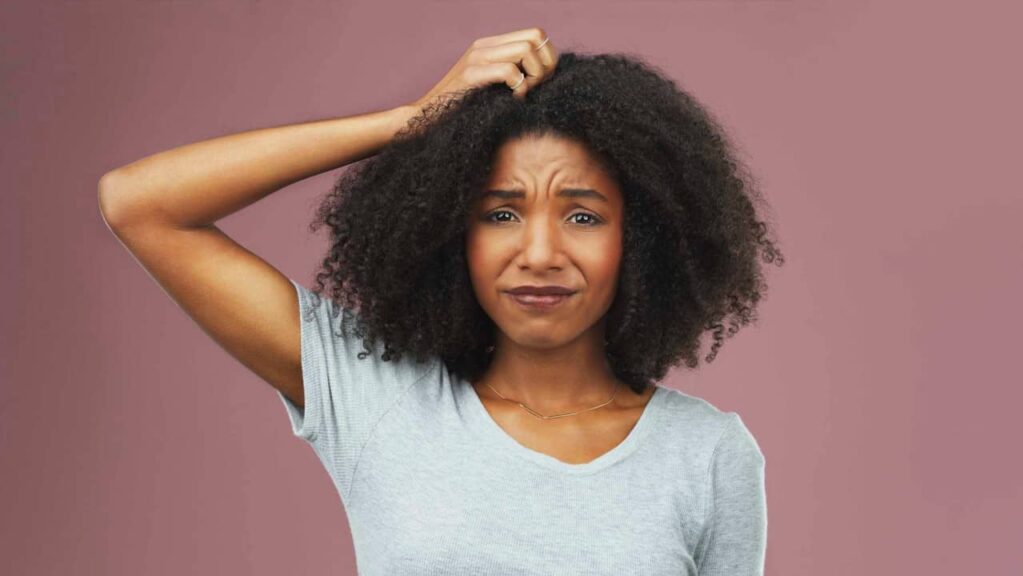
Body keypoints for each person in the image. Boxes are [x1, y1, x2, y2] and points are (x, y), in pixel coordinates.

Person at [99, 27, 782, 575]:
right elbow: (141, 204)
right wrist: (409, 122)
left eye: (582, 217)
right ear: (450, 232)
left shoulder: (708, 456)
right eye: (501, 214)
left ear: (646, 239)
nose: (539, 253)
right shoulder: (376, 394)